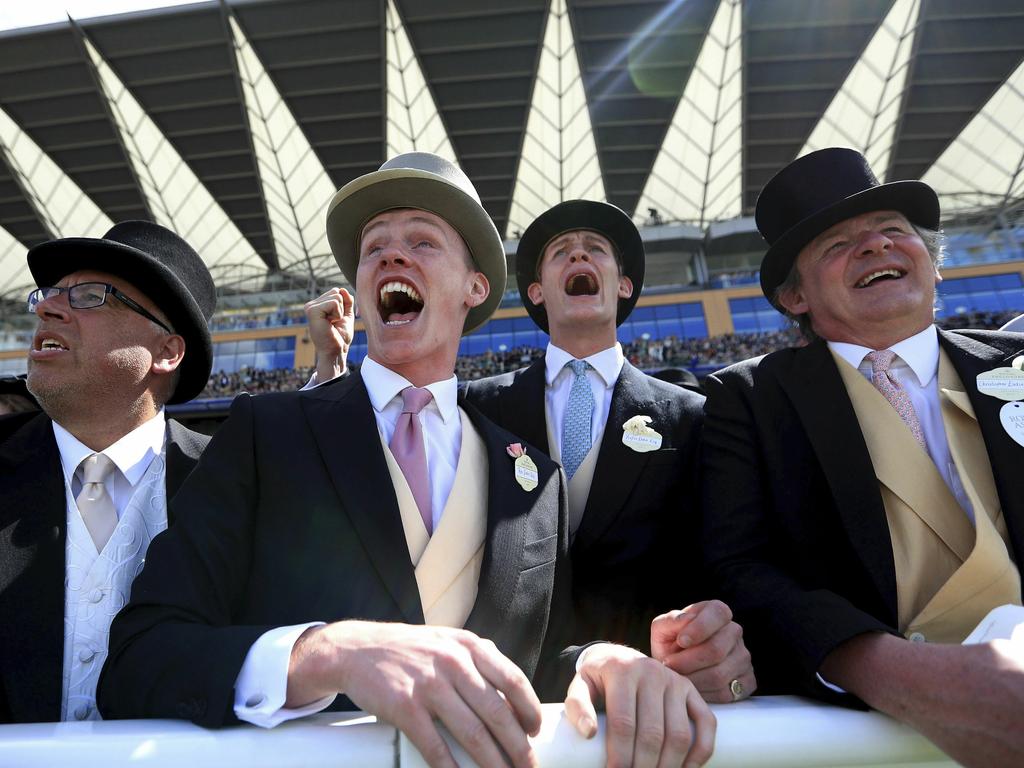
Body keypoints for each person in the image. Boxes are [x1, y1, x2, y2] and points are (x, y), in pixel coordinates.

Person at [100, 154, 716, 768]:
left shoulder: (532, 476)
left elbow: (531, 666)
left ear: (476, 288)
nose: (393, 257)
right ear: (363, 290)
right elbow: (142, 655)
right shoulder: (269, 431)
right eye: (375, 249)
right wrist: (325, 653)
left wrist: (597, 661)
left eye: (423, 240)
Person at [307, 199, 755, 705]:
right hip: (509, 688)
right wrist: (330, 368)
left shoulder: (689, 414)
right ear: (537, 291)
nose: (579, 257)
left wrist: (718, 645)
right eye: (561, 251)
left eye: (596, 250)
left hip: (654, 687)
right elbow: (374, 452)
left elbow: (722, 558)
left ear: (623, 285)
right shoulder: (477, 405)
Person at [699, 147, 1024, 766]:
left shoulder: (1016, 363)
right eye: (837, 244)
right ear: (795, 297)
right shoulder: (746, 399)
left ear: (932, 262)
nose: (876, 246)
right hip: (878, 730)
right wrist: (893, 672)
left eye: (895, 231)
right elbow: (740, 570)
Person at [0, 221, 216, 723]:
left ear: (167, 351)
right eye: (50, 295)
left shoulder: (235, 485)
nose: (48, 307)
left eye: (92, 296)